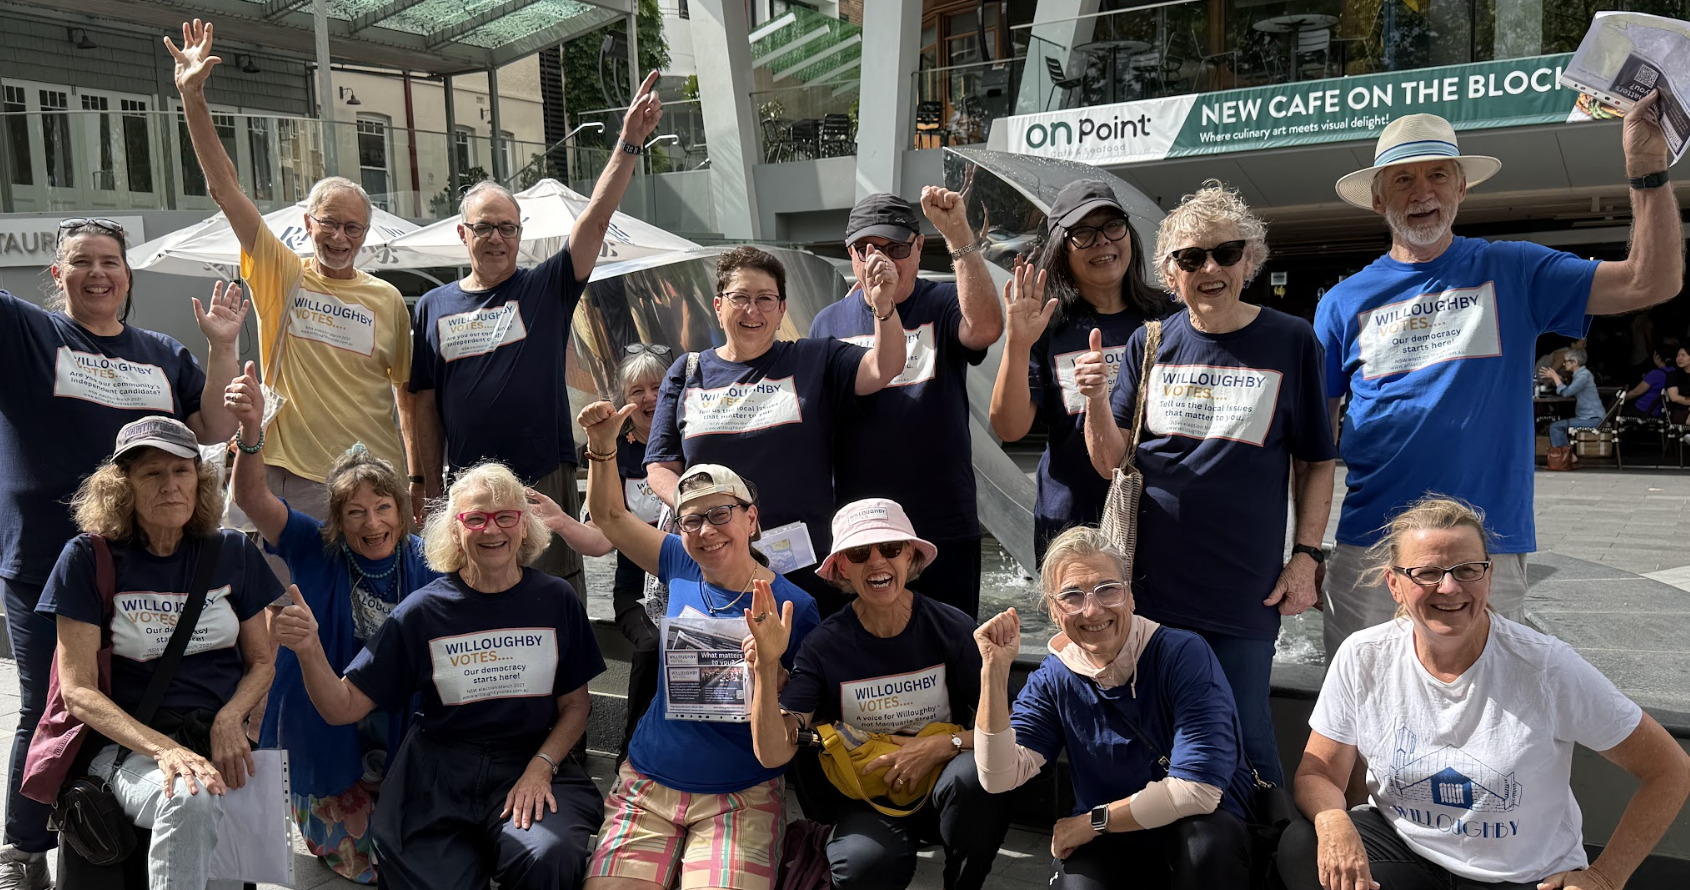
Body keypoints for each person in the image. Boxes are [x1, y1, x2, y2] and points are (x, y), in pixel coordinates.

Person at [1317, 105, 1682, 657]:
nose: (1423, 191)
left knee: (1487, 699)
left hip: (1487, 545)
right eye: (1403, 179)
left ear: (1461, 187)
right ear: (1377, 198)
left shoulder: (1514, 269)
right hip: (1372, 547)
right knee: (1360, 701)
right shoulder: (1342, 302)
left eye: (1438, 174)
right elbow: (1314, 442)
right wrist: (1304, 550)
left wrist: (1647, 168)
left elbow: (1650, 281)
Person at [0, 219, 244, 889]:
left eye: (111, 261)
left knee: (130, 694)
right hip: (46, 558)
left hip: (143, 563)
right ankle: (23, 849)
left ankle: (109, 823)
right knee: (47, 702)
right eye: (82, 262)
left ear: (128, 275)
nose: (98, 273)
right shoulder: (29, 332)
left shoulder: (161, 352)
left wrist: (223, 345)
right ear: (58, 275)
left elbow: (214, 427)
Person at [1277, 496, 1690, 890]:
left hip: (1523, 876)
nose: (1449, 587)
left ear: (1489, 578)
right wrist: (1333, 820)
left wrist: (1605, 878)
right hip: (1408, 854)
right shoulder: (1364, 655)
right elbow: (1319, 774)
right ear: (1395, 584)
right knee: (1301, 846)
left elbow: (1671, 770)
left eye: (1467, 570)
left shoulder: (1546, 667)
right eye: (1427, 573)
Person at [1080, 181, 1336, 784]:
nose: (1210, 269)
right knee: (1155, 730)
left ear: (1251, 260)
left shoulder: (1290, 339)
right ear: (1171, 274)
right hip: (1150, 584)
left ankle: (1266, 836)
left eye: (1226, 253)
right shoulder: (1150, 342)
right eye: (1191, 258)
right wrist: (1094, 399)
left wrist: (1305, 557)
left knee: (1245, 734)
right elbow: (1110, 462)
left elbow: (1316, 460)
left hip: (1243, 588)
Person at [274, 462, 606, 890]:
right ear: (454, 529)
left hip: (529, 760)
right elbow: (344, 707)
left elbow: (576, 704)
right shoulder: (422, 611)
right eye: (476, 518)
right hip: (438, 774)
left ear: (524, 525)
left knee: (548, 855)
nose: (492, 530)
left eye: (505, 516)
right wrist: (309, 650)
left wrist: (542, 767)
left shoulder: (556, 599)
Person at [404, 74, 664, 599]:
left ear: (520, 234)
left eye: (508, 227)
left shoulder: (545, 287)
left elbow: (595, 221)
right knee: (474, 597)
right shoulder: (432, 306)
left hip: (543, 477)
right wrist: (428, 485)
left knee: (550, 596)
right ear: (463, 234)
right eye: (484, 227)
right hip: (468, 487)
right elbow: (423, 405)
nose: (496, 238)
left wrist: (628, 143)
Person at [170, 19, 413, 569]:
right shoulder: (283, 273)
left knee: (365, 605)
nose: (340, 238)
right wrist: (193, 98)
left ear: (366, 233)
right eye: (329, 223)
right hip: (287, 477)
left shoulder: (388, 299)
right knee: (275, 602)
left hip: (367, 481)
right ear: (308, 223)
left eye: (353, 228)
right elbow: (225, 189)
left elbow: (404, 396)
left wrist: (414, 479)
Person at [578, 399, 820, 890]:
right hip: (649, 783)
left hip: (740, 795)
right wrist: (602, 450)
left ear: (751, 519)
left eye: (720, 514)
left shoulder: (795, 607)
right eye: (691, 520)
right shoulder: (680, 562)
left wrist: (769, 669)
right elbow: (609, 516)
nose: (706, 531)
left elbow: (785, 742)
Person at [37, 417, 281, 890]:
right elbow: (78, 691)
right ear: (121, 486)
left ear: (199, 479)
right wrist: (165, 749)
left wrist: (231, 718)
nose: (170, 486)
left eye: (181, 471)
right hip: (126, 748)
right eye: (152, 473)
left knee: (223, 871)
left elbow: (262, 662)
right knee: (190, 797)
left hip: (216, 740)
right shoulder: (88, 558)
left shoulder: (232, 551)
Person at [224, 366, 438, 882]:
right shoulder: (313, 545)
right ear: (338, 521)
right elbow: (252, 499)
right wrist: (251, 432)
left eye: (383, 507)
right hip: (325, 723)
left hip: (403, 721)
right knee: (366, 861)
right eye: (356, 512)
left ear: (401, 510)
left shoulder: (428, 559)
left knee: (417, 847)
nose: (373, 523)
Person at [744, 499, 1011, 889]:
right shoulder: (822, 645)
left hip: (942, 786)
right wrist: (767, 668)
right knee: (863, 865)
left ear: (909, 556)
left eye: (889, 548)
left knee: (977, 776)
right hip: (863, 798)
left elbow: (1011, 729)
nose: (877, 562)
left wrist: (942, 745)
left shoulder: (951, 627)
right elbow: (773, 753)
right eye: (858, 553)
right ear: (842, 568)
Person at [973, 526, 1257, 889]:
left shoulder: (1183, 655)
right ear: (1054, 610)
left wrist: (1093, 821)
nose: (1092, 610)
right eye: (1072, 596)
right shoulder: (1055, 676)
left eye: (1107, 589)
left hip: (1193, 828)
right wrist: (994, 670)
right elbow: (998, 777)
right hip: (1111, 837)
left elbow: (1197, 791)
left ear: (1130, 596)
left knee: (1204, 846)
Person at [644, 246, 906, 613]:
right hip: (715, 567)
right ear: (718, 306)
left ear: (782, 310)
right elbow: (660, 466)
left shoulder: (814, 359)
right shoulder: (688, 372)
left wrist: (884, 307)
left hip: (805, 571)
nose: (752, 310)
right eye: (740, 298)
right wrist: (702, 510)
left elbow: (885, 367)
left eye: (765, 299)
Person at [808, 190, 1003, 616]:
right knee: (865, 646)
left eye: (895, 248)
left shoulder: (942, 301)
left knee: (952, 641)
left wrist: (959, 236)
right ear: (851, 254)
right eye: (867, 248)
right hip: (862, 530)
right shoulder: (828, 322)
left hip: (940, 520)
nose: (881, 260)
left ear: (917, 248)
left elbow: (986, 328)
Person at [989, 180, 1169, 564]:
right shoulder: (1046, 324)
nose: (1102, 241)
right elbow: (1009, 428)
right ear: (1062, 248)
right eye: (1083, 233)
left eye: (1113, 226)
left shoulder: (1169, 318)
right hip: (1073, 526)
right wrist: (1018, 342)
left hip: (1160, 518)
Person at [591, 347, 670, 764]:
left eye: (658, 386)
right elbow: (600, 534)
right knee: (654, 643)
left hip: (693, 583)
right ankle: (631, 755)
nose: (649, 397)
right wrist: (561, 522)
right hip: (636, 590)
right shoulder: (615, 452)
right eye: (637, 390)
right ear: (624, 399)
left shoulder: (692, 441)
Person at [1541, 347, 1605, 468]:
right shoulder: (1581, 375)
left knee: (1555, 427)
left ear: (1574, 362)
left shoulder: (1583, 376)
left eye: (1566, 361)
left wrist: (1555, 377)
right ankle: (1569, 455)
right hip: (1588, 417)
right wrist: (1559, 380)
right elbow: (1569, 390)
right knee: (1558, 425)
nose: (1563, 364)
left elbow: (1566, 393)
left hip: (1592, 418)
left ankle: (1566, 456)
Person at [1621, 338, 1678, 418]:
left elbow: (1636, 392)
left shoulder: (1656, 374)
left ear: (1657, 357)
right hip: (1661, 412)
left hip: (1644, 410)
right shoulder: (1675, 372)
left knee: (1619, 410)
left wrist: (1618, 400)